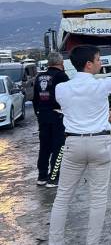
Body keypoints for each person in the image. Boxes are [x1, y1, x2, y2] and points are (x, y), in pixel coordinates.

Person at [49, 45, 111, 245]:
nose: (100, 63)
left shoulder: (61, 88)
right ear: (88, 64)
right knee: (98, 198)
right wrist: (106, 109)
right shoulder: (102, 85)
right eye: (99, 59)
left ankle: (55, 242)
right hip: (100, 143)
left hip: (73, 143)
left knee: (63, 197)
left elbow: (71, 106)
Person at [33, 52, 69, 187]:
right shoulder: (61, 76)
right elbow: (68, 96)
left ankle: (42, 176)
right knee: (58, 147)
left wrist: (39, 113)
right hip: (57, 115)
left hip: (43, 115)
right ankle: (53, 178)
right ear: (61, 63)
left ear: (48, 63)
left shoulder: (39, 76)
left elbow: (35, 98)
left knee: (44, 147)